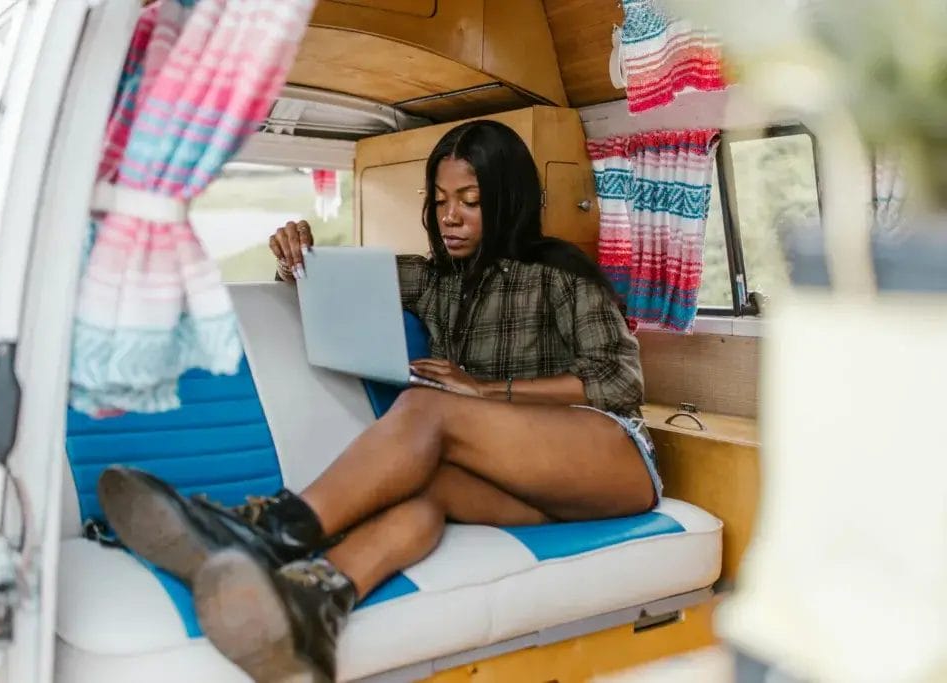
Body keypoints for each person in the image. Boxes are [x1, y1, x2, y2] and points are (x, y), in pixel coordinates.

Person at [97, 120, 662, 683]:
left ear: (506, 199)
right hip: (526, 490)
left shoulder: (560, 272)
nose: (451, 216)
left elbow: (619, 379)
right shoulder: (436, 279)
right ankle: (314, 603)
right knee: (416, 490)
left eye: (471, 200)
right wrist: (296, 256)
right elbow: (331, 283)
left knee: (424, 407)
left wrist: (485, 389)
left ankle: (269, 531)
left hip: (609, 464)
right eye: (440, 200)